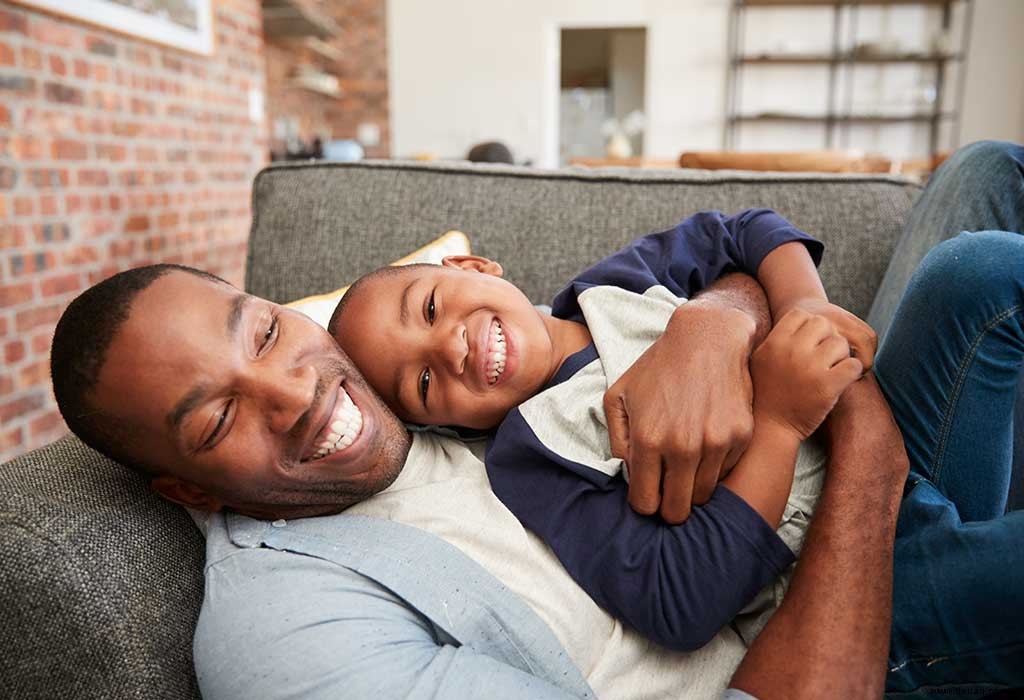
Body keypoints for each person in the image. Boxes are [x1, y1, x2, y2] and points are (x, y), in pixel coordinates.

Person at [47, 141, 1024, 698]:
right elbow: (693, 603)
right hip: (845, 601)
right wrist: (848, 436)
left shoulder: (455, 378)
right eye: (217, 419)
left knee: (980, 199)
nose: (293, 391)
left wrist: (716, 325)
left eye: (262, 331)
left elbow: (722, 248)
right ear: (184, 484)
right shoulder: (298, 627)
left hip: (841, 450)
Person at [327, 210, 870, 651]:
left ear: (473, 266)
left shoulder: (614, 285)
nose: (450, 347)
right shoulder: (529, 460)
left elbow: (746, 230)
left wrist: (807, 308)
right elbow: (677, 601)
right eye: (422, 382)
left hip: (870, 406)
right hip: (857, 582)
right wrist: (778, 425)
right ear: (440, 426)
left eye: (429, 306)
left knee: (954, 276)